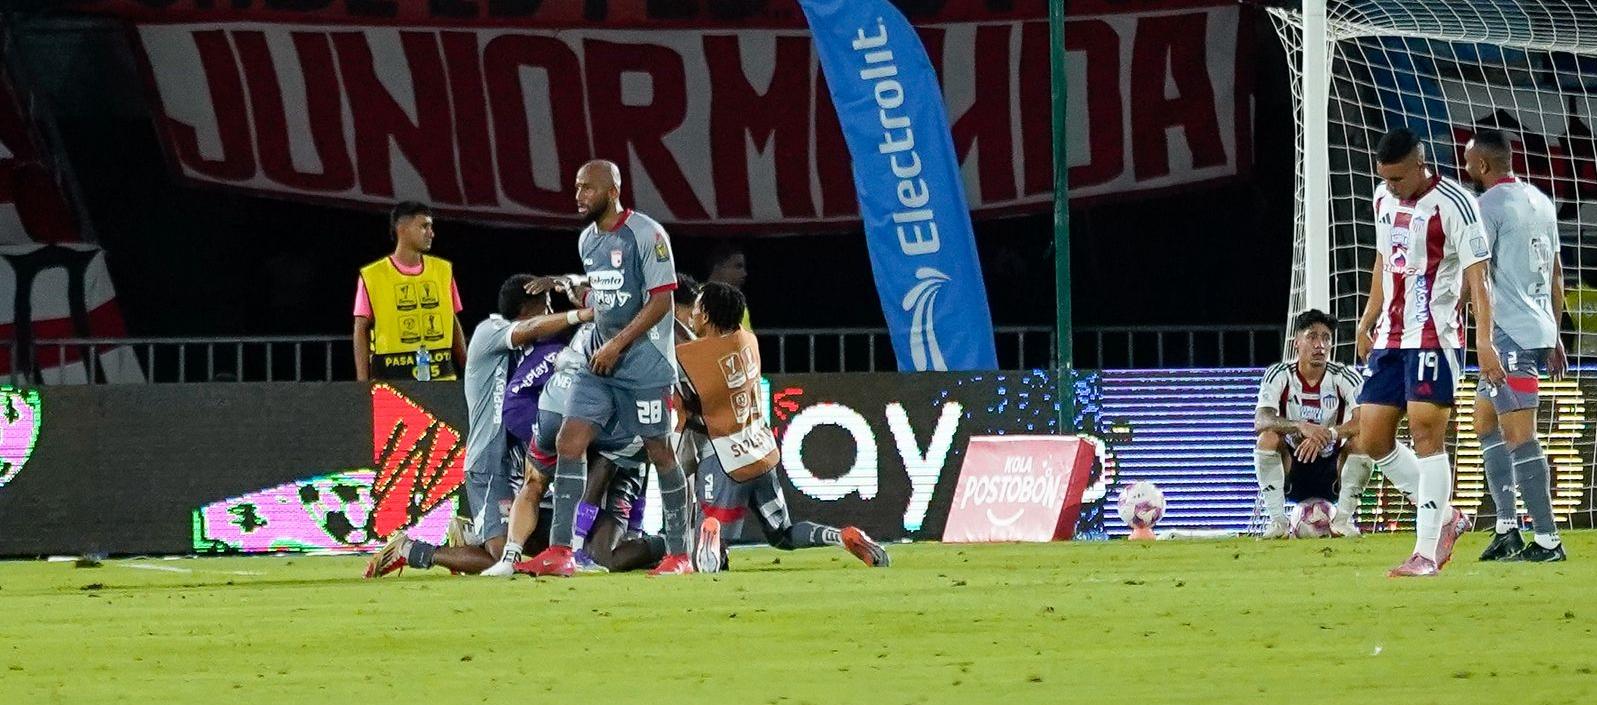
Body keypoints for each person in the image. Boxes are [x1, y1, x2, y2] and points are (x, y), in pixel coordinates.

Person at [519, 160, 696, 577]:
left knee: (659, 450)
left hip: (644, 365)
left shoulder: (647, 235)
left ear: (612, 191)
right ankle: (561, 552)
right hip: (599, 363)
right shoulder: (587, 241)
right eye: (577, 188)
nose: (578, 197)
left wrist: (617, 344)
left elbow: (661, 303)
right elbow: (603, 298)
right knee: (569, 440)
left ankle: (680, 555)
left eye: (587, 189)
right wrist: (571, 292)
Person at [365, 275, 591, 577]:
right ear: (525, 308)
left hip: (512, 462)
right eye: (546, 307)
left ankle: (471, 534)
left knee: (527, 541)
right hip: (488, 462)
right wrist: (583, 314)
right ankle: (409, 549)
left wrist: (570, 282)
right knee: (502, 560)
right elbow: (531, 328)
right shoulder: (489, 331)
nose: (551, 316)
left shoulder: (528, 351)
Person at [1355, 126, 1504, 577]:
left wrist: (1484, 341)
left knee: (1425, 435)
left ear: (1421, 165)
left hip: (1434, 335)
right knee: (1372, 437)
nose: (1390, 186)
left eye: (1398, 178)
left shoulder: (1456, 204)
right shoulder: (1382, 199)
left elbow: (1479, 277)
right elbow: (1384, 260)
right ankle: (1446, 517)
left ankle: (1425, 552)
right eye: (1385, 178)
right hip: (1390, 336)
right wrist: (1367, 319)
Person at [678, 282, 888, 572]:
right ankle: (841, 536)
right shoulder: (747, 340)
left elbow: (670, 356)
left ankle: (713, 532)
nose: (693, 315)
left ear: (710, 314)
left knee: (706, 527)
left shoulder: (693, 356)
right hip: (761, 452)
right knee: (782, 534)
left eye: (699, 308)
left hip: (725, 457)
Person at [1462, 129, 1568, 562]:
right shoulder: (1540, 201)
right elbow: (1558, 272)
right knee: (1484, 421)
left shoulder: (1484, 207)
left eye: (1468, 161)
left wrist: (1482, 340)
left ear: (1483, 166)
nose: (1465, 167)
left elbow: (1479, 276)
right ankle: (1507, 528)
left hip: (1510, 334)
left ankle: (1547, 539)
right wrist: (1557, 333)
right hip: (1537, 328)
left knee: (1520, 436)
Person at [1253, 310, 1371, 538]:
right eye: (1312, 337)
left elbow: (1365, 421)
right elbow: (1261, 420)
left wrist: (1329, 433)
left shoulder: (1345, 376)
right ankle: (1278, 523)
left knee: (1364, 441)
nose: (1320, 345)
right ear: (1297, 342)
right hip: (1292, 466)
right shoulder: (1278, 374)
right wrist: (1300, 426)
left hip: (1331, 467)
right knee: (1267, 437)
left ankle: (1343, 521)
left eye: (1326, 338)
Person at [353, 202, 468, 382]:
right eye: (424, 226)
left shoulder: (443, 270)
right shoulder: (373, 275)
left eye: (431, 226)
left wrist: (468, 369)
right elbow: (361, 329)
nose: (431, 233)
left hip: (442, 379)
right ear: (402, 229)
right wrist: (361, 385)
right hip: (391, 383)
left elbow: (451, 320)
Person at [706, 244, 752, 330]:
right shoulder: (695, 298)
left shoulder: (739, 303)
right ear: (718, 268)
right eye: (738, 266)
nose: (744, 273)